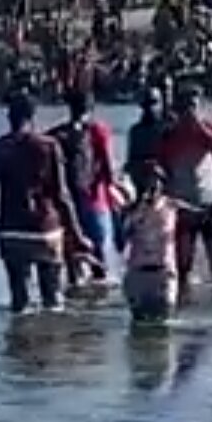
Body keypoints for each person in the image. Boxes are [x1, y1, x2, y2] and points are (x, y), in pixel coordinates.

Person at [0, 92, 90, 314]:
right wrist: (77, 235)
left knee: (19, 304)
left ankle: (21, 335)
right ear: (33, 116)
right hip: (45, 230)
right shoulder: (49, 146)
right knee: (53, 301)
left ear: (9, 116)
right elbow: (62, 196)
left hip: (12, 232)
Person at [158, 85, 212, 296]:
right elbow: (161, 169)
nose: (190, 112)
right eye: (186, 107)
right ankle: (185, 300)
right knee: (184, 269)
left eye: (194, 106)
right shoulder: (170, 136)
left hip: (211, 201)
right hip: (183, 205)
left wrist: (202, 131)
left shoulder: (210, 130)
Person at [46, 90, 122, 285]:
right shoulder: (98, 131)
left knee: (72, 258)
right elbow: (108, 169)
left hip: (65, 204)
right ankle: (99, 294)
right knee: (100, 259)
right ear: (91, 108)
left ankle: (76, 292)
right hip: (95, 202)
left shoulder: (55, 135)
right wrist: (117, 191)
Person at [118, 166, 179, 325]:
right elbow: (121, 240)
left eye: (157, 181)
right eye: (149, 181)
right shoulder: (131, 210)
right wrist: (136, 209)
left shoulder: (173, 206)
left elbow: (198, 214)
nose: (153, 185)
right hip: (138, 273)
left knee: (164, 320)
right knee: (139, 323)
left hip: (163, 272)